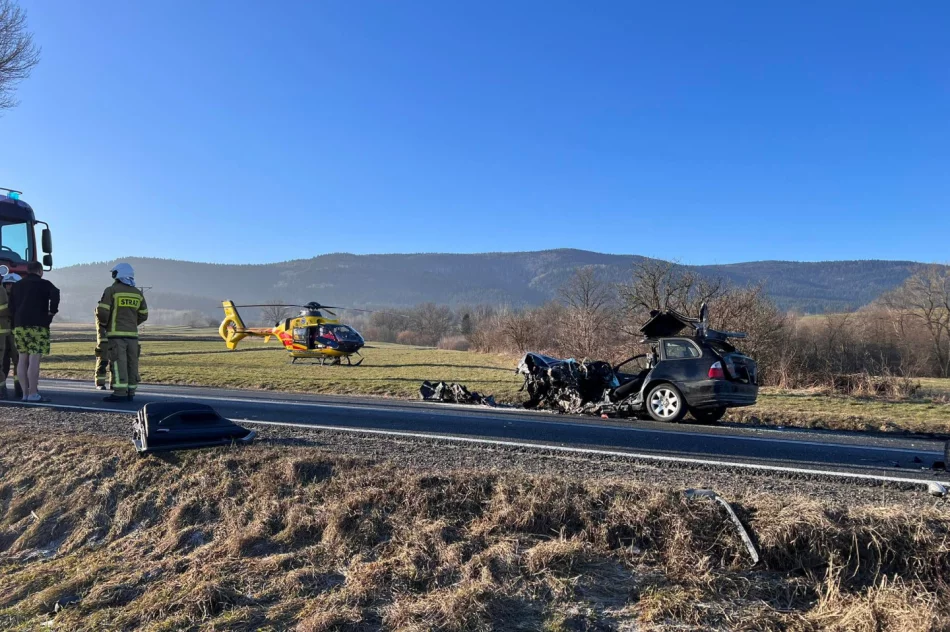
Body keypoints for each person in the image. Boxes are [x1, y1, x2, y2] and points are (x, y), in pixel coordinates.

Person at [9, 261, 60, 402]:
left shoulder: (17, 285)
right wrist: (52, 312)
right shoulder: (45, 284)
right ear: (40, 271)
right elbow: (56, 293)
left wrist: (15, 322)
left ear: (27, 270)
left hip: (19, 325)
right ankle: (33, 393)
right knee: (34, 359)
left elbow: (11, 307)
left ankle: (25, 394)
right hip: (38, 325)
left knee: (21, 359)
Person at [97, 263, 148, 402]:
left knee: (119, 364)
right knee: (132, 363)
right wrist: (131, 323)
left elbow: (102, 311)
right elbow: (144, 314)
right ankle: (131, 392)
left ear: (118, 275)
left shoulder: (111, 290)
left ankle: (120, 393)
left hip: (116, 335)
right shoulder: (138, 293)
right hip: (132, 336)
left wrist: (104, 324)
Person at [0, 273, 22, 400]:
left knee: (19, 361)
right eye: (7, 284)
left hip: (15, 334)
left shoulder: (21, 299)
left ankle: (19, 388)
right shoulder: (2, 295)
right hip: (3, 335)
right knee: (3, 362)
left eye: (12, 284)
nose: (9, 286)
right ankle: (3, 390)